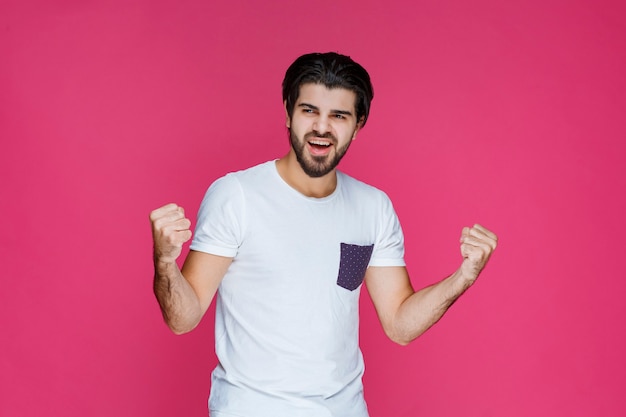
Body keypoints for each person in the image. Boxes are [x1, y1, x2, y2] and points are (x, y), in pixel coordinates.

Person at [149, 52, 497, 417]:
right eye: (309, 110)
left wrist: (463, 278)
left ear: (358, 124)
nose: (321, 127)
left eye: (339, 116)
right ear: (288, 112)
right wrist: (165, 261)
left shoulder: (372, 207)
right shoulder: (236, 196)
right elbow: (182, 319)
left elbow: (399, 324)